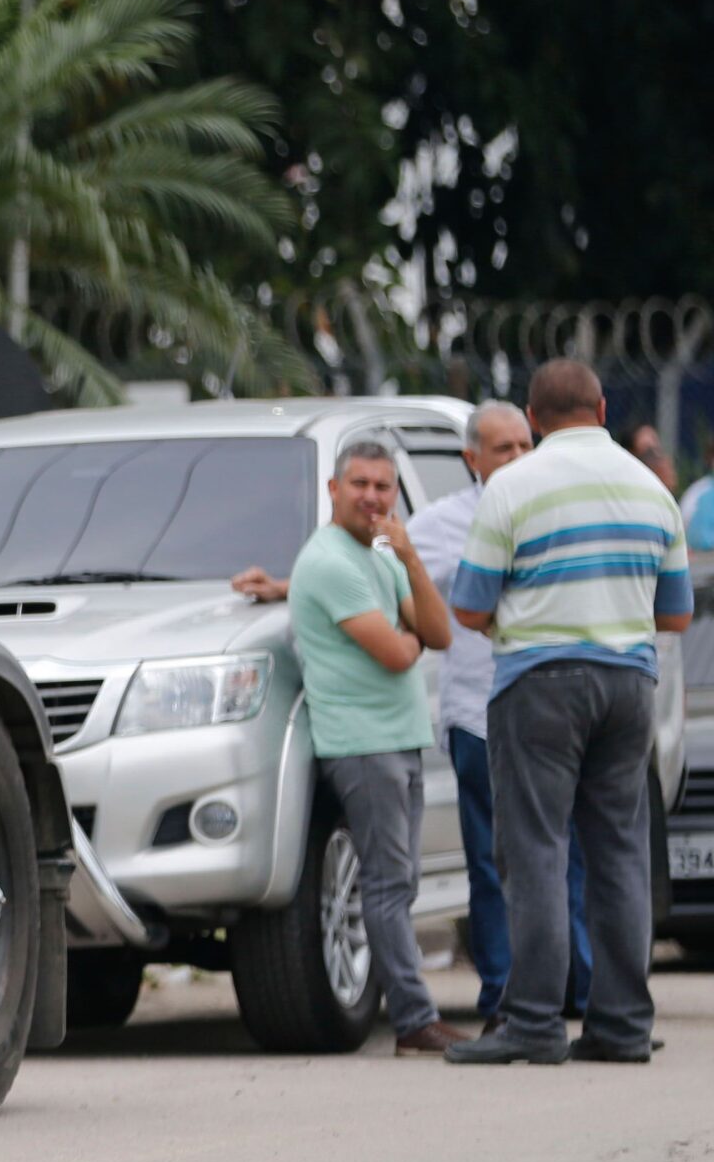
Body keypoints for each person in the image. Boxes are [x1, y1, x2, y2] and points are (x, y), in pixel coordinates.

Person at [445, 360, 693, 1066]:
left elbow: (467, 604)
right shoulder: (653, 490)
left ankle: (533, 1021)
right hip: (627, 687)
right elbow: (674, 613)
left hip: (539, 683)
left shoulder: (512, 486)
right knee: (618, 852)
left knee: (535, 851)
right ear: (604, 407)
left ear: (532, 418)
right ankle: (619, 1026)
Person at [406, 400, 591, 1034]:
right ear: (472, 459)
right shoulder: (444, 521)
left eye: (524, 445)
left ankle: (578, 990)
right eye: (502, 449)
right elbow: (378, 549)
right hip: (479, 713)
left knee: (567, 854)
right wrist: (298, 580)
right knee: (491, 862)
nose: (516, 458)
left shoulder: (563, 506)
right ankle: (504, 996)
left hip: (555, 710)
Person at [282, 437, 463, 1054]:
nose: (371, 497)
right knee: (387, 886)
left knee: (399, 882)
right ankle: (414, 1020)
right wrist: (408, 637)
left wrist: (409, 559)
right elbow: (396, 653)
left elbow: (438, 631)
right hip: (362, 744)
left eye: (383, 486)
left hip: (399, 739)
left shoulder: (384, 552)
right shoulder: (329, 560)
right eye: (359, 484)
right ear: (334, 490)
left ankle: (414, 1014)